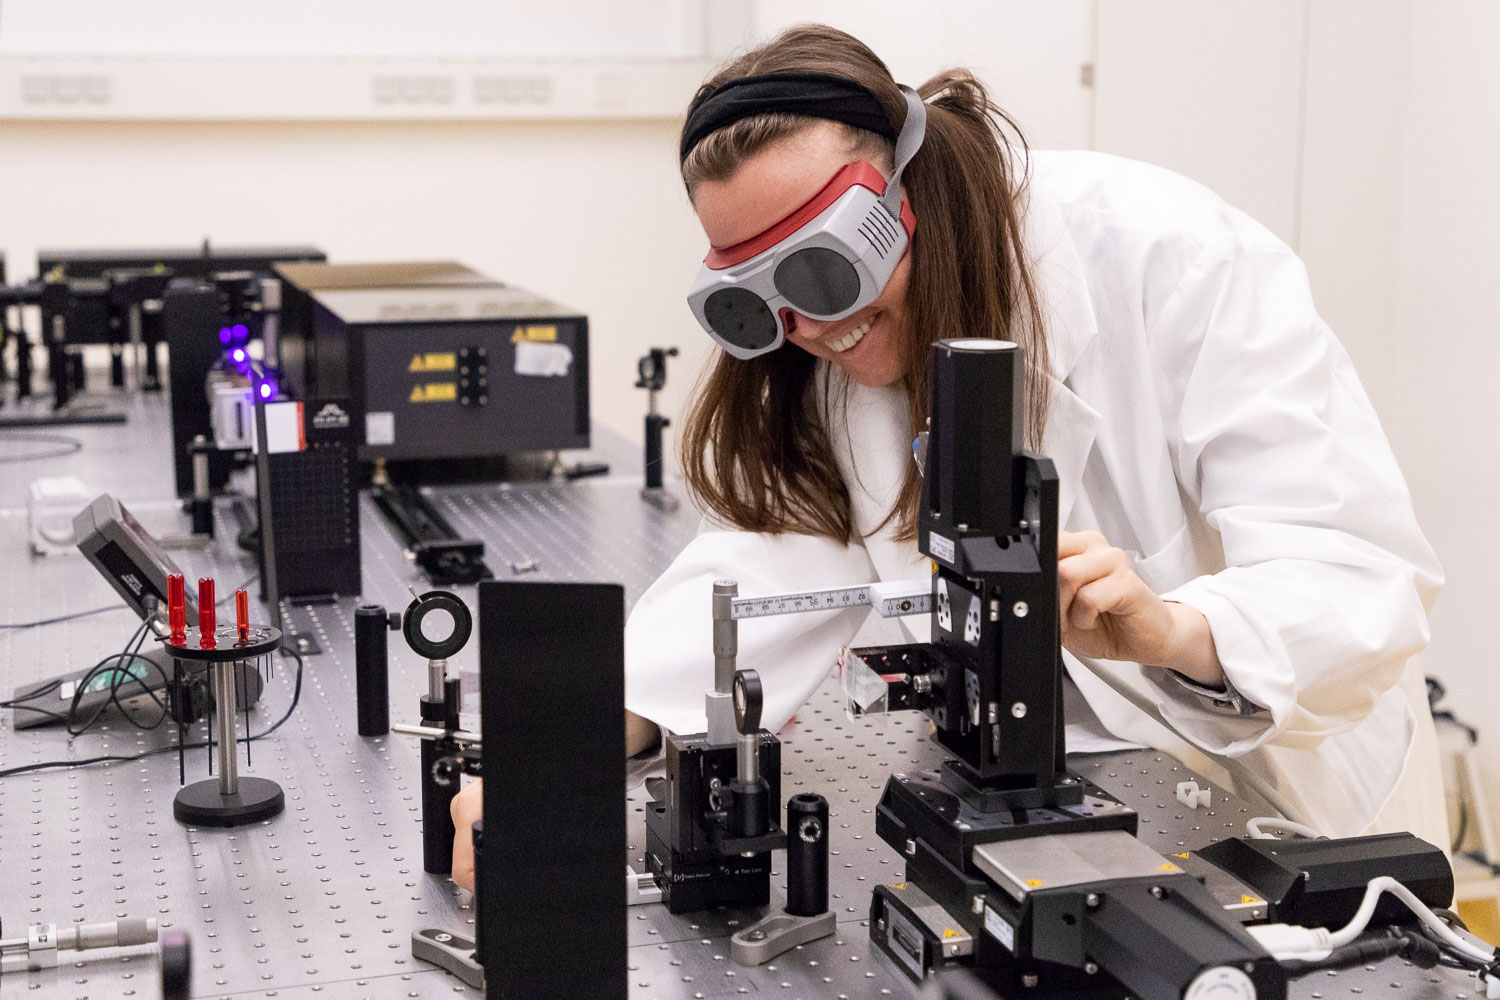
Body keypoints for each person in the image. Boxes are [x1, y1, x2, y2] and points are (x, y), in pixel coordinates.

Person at [449, 24, 1445, 892]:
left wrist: (1171, 628)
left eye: (826, 268)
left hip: (1290, 795)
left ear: (908, 190)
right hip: (1075, 809)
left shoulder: (1172, 256)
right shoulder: (839, 362)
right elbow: (749, 578)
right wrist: (553, 754)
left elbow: (1357, 575)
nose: (810, 327)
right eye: (762, 303)